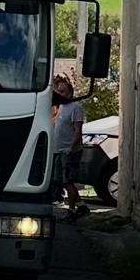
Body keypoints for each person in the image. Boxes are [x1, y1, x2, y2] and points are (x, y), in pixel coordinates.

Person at [52, 73, 87, 220]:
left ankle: (74, 208)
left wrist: (71, 148)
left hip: (69, 151)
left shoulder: (75, 107)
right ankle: (80, 206)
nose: (60, 94)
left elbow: (78, 131)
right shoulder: (60, 108)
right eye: (58, 91)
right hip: (59, 150)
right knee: (62, 180)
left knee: (68, 181)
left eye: (63, 92)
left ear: (70, 93)